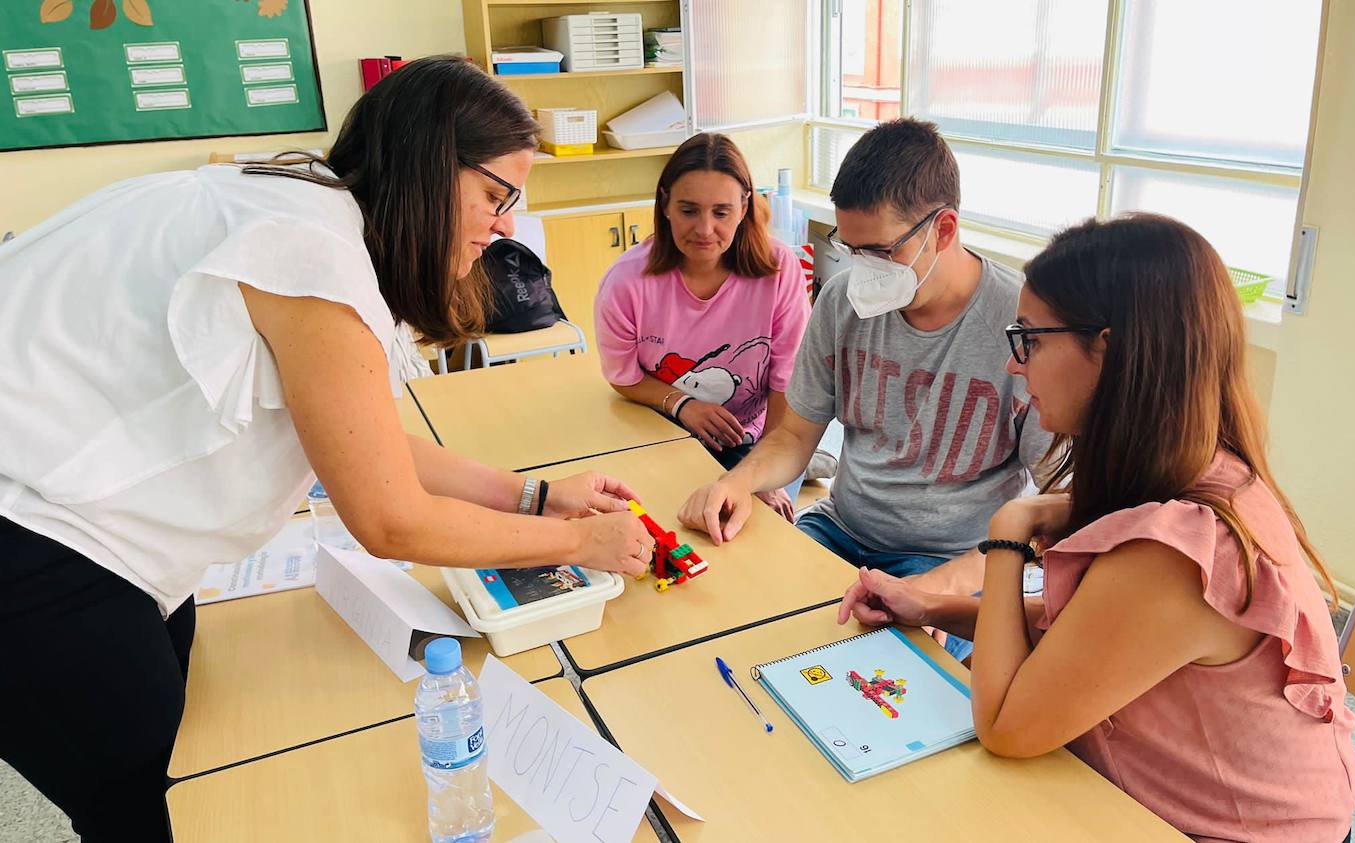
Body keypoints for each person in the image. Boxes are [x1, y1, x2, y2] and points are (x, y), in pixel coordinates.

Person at [0, 56, 651, 842]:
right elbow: (390, 518)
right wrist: (582, 539)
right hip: (34, 538)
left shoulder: (303, 207)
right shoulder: (309, 253)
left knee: (183, 722)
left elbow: (367, 443)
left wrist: (537, 497)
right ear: (428, 167)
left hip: (75, 523)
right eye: (495, 194)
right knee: (152, 788)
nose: (506, 223)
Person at [838, 214, 1355, 842]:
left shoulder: (1176, 551)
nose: (1014, 364)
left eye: (1029, 338)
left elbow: (1006, 725)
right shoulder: (1201, 469)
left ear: (1107, 352)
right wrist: (930, 604)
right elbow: (1081, 639)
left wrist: (1008, 532)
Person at [678, 119, 1050, 658]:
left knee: (895, 685)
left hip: (950, 561)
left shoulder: (1021, 326)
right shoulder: (844, 300)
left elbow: (1056, 512)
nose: (862, 271)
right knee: (743, 621)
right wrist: (739, 482)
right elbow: (796, 434)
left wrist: (939, 592)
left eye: (879, 252)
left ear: (943, 230)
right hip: (841, 529)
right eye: (850, 248)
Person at [594, 133, 810, 519]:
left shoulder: (779, 270)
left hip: (752, 436)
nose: (704, 229)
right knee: (654, 517)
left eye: (721, 212)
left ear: (744, 207)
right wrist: (682, 404)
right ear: (665, 205)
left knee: (758, 523)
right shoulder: (626, 281)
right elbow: (622, 375)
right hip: (660, 431)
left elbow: (785, 382)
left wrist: (762, 476)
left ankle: (805, 467)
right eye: (689, 210)